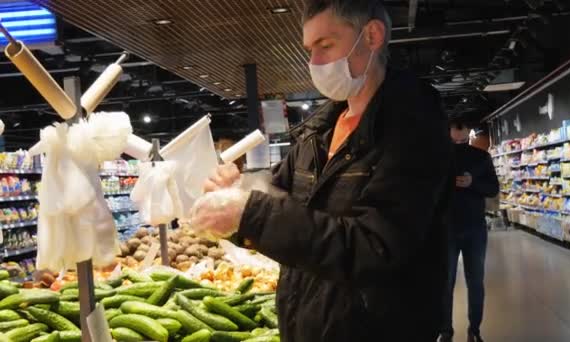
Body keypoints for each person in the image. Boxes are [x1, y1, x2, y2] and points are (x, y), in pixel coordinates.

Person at [190, 1, 452, 341]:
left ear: (372, 35)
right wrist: (239, 190)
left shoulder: (412, 130)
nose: (315, 62)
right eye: (310, 50)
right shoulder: (318, 130)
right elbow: (281, 190)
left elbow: (374, 247)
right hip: (310, 324)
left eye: (326, 45)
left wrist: (251, 211)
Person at [439, 121, 499, 342]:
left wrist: (473, 183)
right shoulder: (438, 158)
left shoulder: (482, 158)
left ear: (469, 137)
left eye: (463, 141)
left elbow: (493, 188)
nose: (459, 145)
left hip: (474, 228)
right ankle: (445, 331)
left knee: (476, 281)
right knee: (445, 282)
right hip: (446, 228)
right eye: (454, 141)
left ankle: (474, 329)